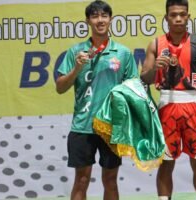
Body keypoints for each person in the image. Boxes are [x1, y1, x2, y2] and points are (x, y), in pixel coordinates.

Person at [55, 1, 138, 200]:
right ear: (88, 21)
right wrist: (76, 68)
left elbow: (133, 90)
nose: (100, 20)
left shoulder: (124, 53)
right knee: (81, 180)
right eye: (95, 16)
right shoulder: (76, 52)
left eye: (104, 16)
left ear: (110, 20)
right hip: (82, 126)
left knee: (110, 180)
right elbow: (60, 88)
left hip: (111, 127)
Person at [140, 0, 196, 199]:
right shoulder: (156, 43)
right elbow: (144, 79)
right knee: (167, 161)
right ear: (166, 18)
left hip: (193, 103)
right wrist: (155, 68)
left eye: (182, 14)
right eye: (173, 15)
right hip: (167, 103)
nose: (178, 18)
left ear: (188, 17)